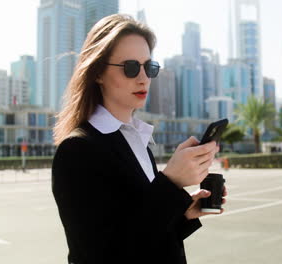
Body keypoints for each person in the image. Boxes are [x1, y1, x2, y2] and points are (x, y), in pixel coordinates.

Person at [51, 14, 227, 264]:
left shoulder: (136, 139)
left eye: (149, 67)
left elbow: (144, 232)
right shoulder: (77, 150)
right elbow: (103, 253)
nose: (143, 77)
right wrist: (171, 182)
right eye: (131, 67)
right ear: (98, 72)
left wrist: (184, 213)